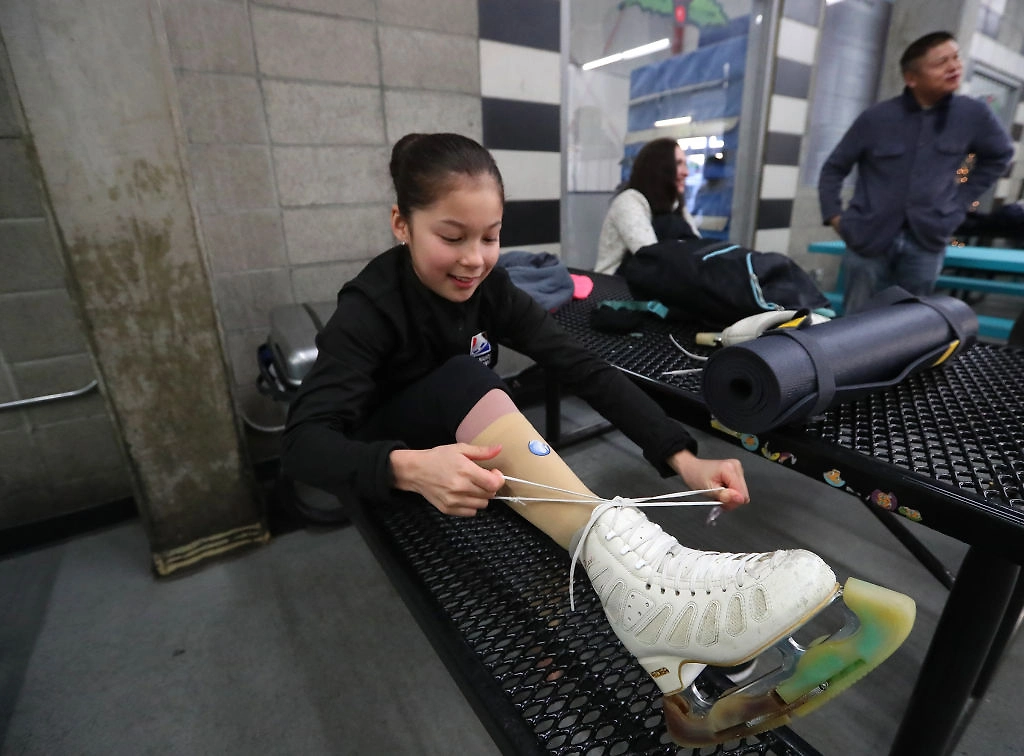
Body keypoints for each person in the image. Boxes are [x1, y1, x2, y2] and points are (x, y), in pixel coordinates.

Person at [282, 132, 916, 746]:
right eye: (451, 237)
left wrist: (681, 453)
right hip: (400, 470)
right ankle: (652, 595)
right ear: (401, 224)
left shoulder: (489, 287)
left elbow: (578, 363)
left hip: (467, 455)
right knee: (461, 378)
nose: (474, 258)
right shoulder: (368, 306)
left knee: (486, 399)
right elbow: (304, 444)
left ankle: (681, 656)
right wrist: (407, 468)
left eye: (491, 237)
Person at [819, 31, 1014, 315]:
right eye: (941, 62)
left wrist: (958, 204)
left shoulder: (972, 114)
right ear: (912, 78)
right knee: (856, 321)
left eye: (956, 57)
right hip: (869, 238)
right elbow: (834, 168)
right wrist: (836, 217)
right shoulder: (877, 118)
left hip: (927, 239)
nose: (954, 66)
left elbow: (1000, 155)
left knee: (912, 321)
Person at [594, 137, 701, 275]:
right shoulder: (629, 201)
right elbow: (651, 258)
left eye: (685, 164)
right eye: (678, 164)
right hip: (615, 286)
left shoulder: (675, 204)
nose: (686, 172)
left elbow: (698, 249)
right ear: (660, 168)